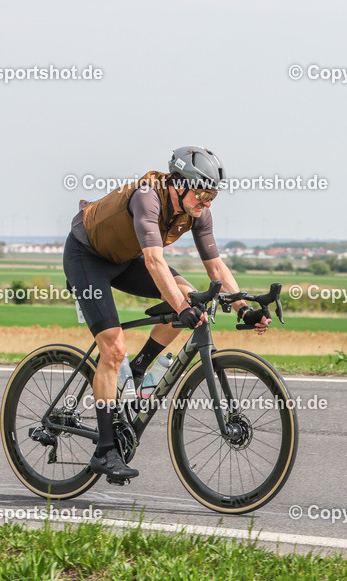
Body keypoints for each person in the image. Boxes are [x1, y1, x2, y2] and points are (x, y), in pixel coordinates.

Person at [64, 146, 270, 480]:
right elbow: (154, 261)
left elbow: (215, 266)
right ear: (178, 182)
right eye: (202, 193)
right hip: (87, 258)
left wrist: (243, 309)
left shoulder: (199, 212)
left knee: (192, 299)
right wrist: (181, 307)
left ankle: (139, 369)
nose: (206, 203)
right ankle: (104, 449)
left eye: (213, 196)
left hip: (124, 259)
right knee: (113, 349)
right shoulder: (148, 197)